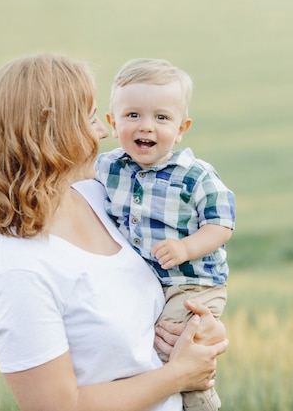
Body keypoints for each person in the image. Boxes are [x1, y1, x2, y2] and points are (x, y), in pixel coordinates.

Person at [0, 54, 228, 411]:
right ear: (53, 134)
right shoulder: (15, 266)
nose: (103, 132)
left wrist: (204, 331)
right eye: (91, 118)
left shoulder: (99, 197)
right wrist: (179, 375)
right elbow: (57, 408)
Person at [95, 58, 235, 411]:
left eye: (161, 118)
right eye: (133, 116)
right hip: (147, 282)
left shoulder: (195, 175)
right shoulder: (108, 168)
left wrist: (186, 247)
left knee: (171, 343)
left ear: (181, 127)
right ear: (112, 123)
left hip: (192, 284)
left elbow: (221, 224)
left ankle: (200, 400)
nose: (147, 127)